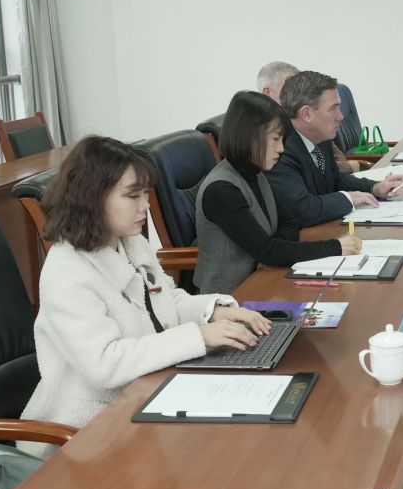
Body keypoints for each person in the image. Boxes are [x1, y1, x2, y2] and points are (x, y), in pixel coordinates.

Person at [21, 135, 270, 434]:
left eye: (145, 194)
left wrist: (213, 311)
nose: (146, 205)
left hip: (143, 395)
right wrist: (198, 336)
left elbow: (165, 300)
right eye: (133, 196)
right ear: (93, 197)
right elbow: (104, 365)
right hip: (86, 426)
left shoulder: (129, 241)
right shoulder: (67, 271)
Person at [194, 91, 364, 295]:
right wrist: (336, 247)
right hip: (230, 297)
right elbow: (268, 250)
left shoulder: (256, 173)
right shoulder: (222, 189)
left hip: (265, 280)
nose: (281, 148)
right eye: (275, 139)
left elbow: (289, 224)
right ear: (249, 136)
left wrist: (272, 252)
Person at [270, 70, 403, 229]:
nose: (340, 116)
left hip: (325, 227)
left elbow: (336, 180)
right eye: (333, 108)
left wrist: (374, 187)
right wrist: (348, 199)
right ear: (307, 114)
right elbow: (303, 209)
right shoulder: (279, 149)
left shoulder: (320, 137)